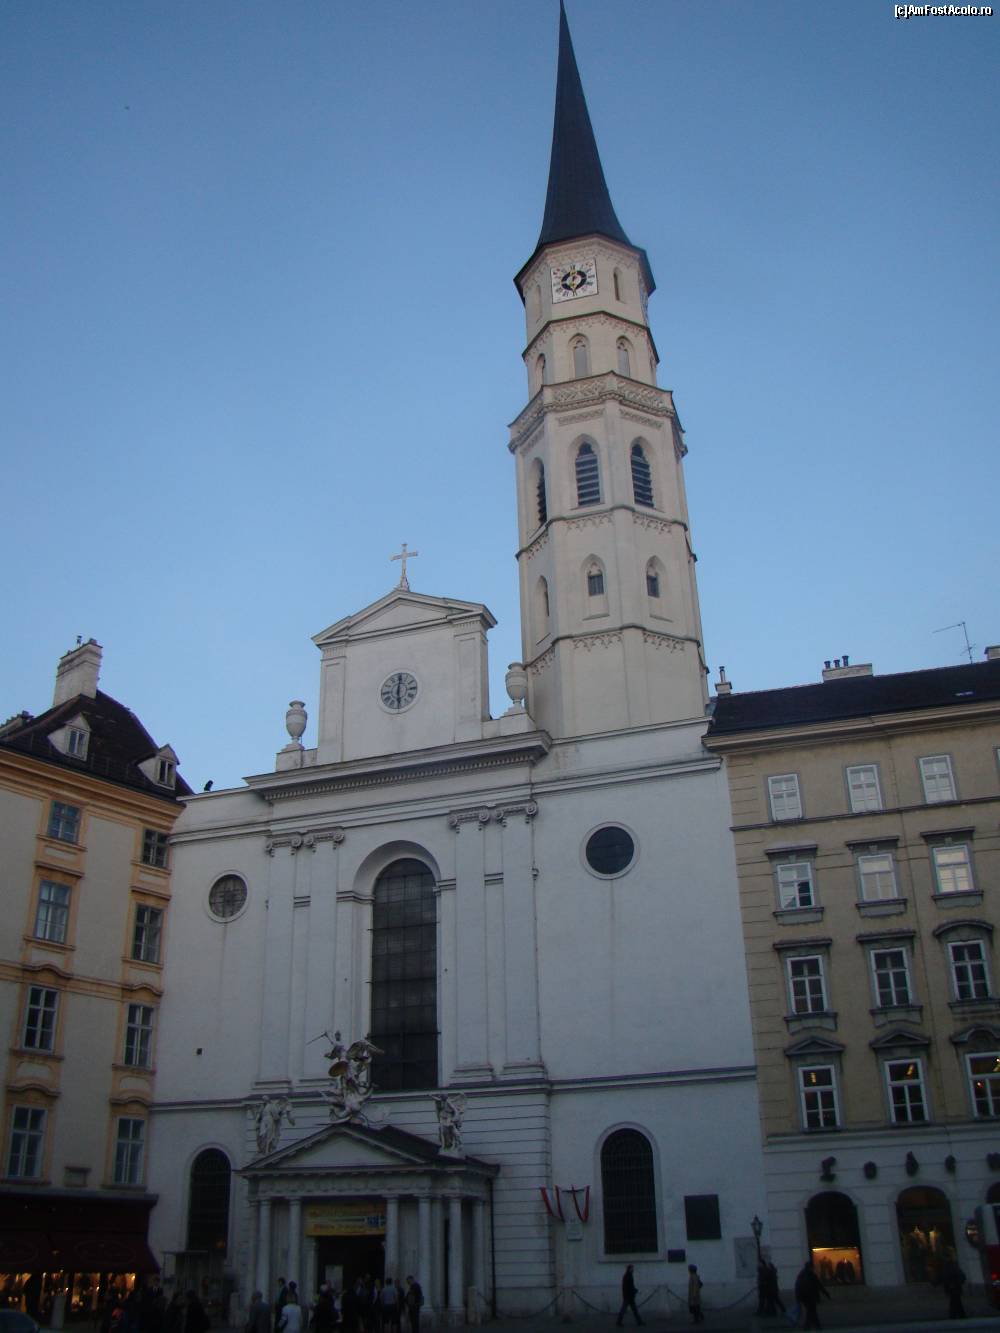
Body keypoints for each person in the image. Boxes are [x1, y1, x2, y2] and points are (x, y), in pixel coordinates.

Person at [794, 1261, 829, 1331]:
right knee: (811, 1312)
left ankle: (815, 1326)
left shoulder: (801, 1274)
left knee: (811, 1312)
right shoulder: (811, 1275)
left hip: (804, 1297)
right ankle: (810, 1327)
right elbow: (819, 1285)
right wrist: (826, 1294)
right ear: (810, 1267)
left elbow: (797, 1286)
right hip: (810, 1297)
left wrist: (798, 1298)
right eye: (813, 1267)